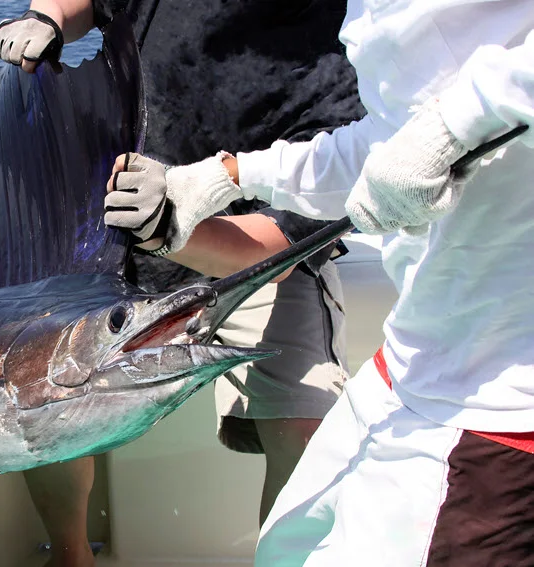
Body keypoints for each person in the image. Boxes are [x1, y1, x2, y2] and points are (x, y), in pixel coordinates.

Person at [105, 1, 534, 564]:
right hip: (412, 361)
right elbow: (384, 141)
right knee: (290, 548)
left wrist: (452, 126)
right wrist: (227, 177)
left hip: (498, 409)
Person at [0, 1, 363, 565]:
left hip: (250, 255)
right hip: (116, 231)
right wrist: (46, 18)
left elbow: (282, 242)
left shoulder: (342, 57)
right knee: (44, 386)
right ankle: (70, 555)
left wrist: (174, 228)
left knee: (307, 416)